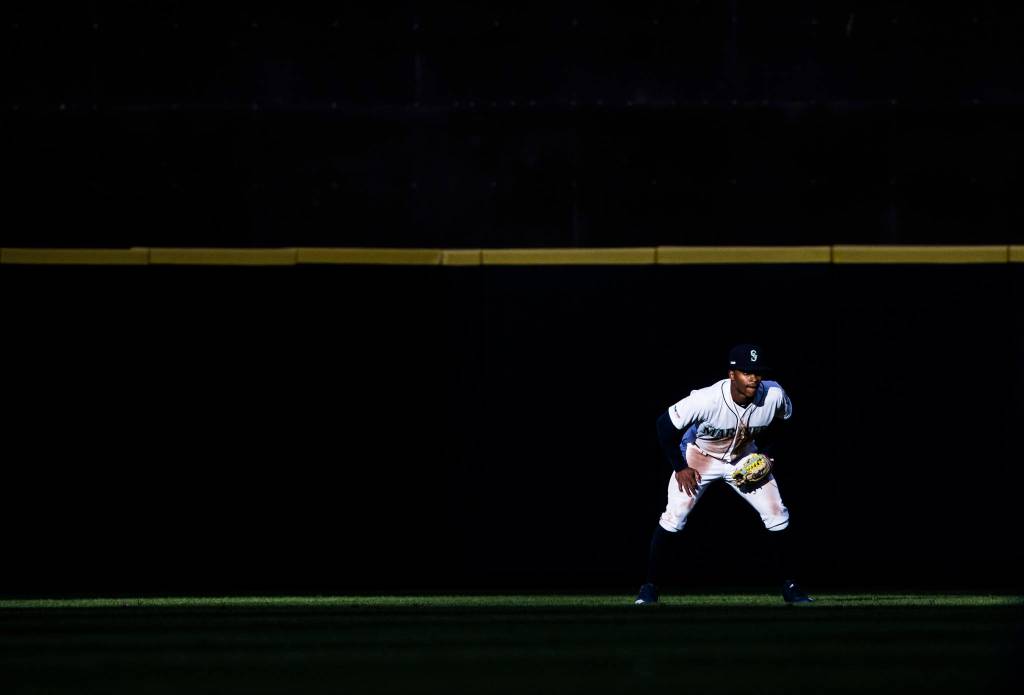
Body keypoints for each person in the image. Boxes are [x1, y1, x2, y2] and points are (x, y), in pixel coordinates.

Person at [635, 343, 814, 605]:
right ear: (732, 375)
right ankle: (649, 588)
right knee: (675, 516)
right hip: (700, 456)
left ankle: (791, 586)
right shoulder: (706, 400)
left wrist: (769, 453)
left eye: (757, 371)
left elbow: (787, 420)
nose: (754, 377)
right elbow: (663, 426)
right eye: (746, 371)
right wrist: (680, 467)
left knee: (777, 513)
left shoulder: (774, 394)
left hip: (743, 456)